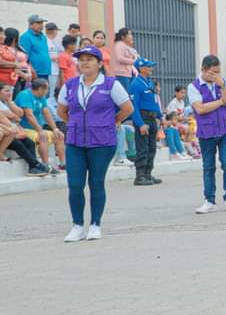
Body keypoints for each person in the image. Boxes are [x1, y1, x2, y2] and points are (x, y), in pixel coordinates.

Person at [57, 45, 133, 242]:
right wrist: (75, 124)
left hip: (102, 142)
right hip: (75, 141)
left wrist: (112, 122)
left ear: (99, 63)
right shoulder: (70, 85)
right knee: (75, 184)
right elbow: (62, 111)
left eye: (89, 59)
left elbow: (127, 108)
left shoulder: (110, 84)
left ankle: (95, 224)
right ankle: (77, 225)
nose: (85, 63)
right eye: (81, 59)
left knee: (96, 183)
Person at [188, 55, 226, 213]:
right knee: (208, 167)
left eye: (218, 72)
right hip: (206, 131)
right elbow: (200, 109)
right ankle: (209, 200)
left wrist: (222, 86)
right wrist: (221, 102)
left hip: (225, 129)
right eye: (212, 72)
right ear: (203, 69)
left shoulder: (224, 82)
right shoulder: (194, 87)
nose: (216, 75)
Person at [15, 79, 66, 171]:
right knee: (43, 136)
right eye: (47, 89)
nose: (48, 91)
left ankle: (62, 164)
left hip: (36, 128)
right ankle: (46, 165)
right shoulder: (25, 95)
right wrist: (40, 130)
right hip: (23, 128)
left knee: (59, 136)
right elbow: (29, 115)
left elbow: (46, 113)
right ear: (40, 89)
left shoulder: (41, 96)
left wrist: (55, 129)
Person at [128, 57, 163, 186]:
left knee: (152, 148)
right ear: (141, 68)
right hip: (143, 118)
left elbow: (154, 101)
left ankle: (148, 173)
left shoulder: (149, 82)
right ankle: (140, 176)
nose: (151, 69)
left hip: (152, 118)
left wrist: (160, 116)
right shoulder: (136, 84)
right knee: (142, 148)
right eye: (148, 66)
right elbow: (133, 106)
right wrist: (140, 123)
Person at [19, 16, 53, 94]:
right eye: (38, 23)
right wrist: (31, 69)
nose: (41, 25)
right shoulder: (26, 37)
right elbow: (24, 56)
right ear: (31, 24)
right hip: (35, 72)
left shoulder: (43, 37)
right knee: (35, 95)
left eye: (42, 23)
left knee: (44, 94)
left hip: (45, 71)